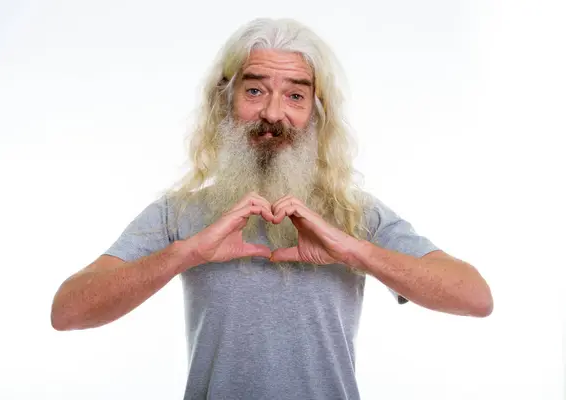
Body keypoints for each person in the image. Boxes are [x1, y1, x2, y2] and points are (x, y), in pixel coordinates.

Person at [50, 18, 493, 400]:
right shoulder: (179, 211)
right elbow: (68, 312)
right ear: (225, 100)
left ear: (317, 113)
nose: (274, 113)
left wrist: (355, 252)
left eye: (296, 96)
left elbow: (474, 297)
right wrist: (188, 253)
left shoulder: (355, 212)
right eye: (256, 90)